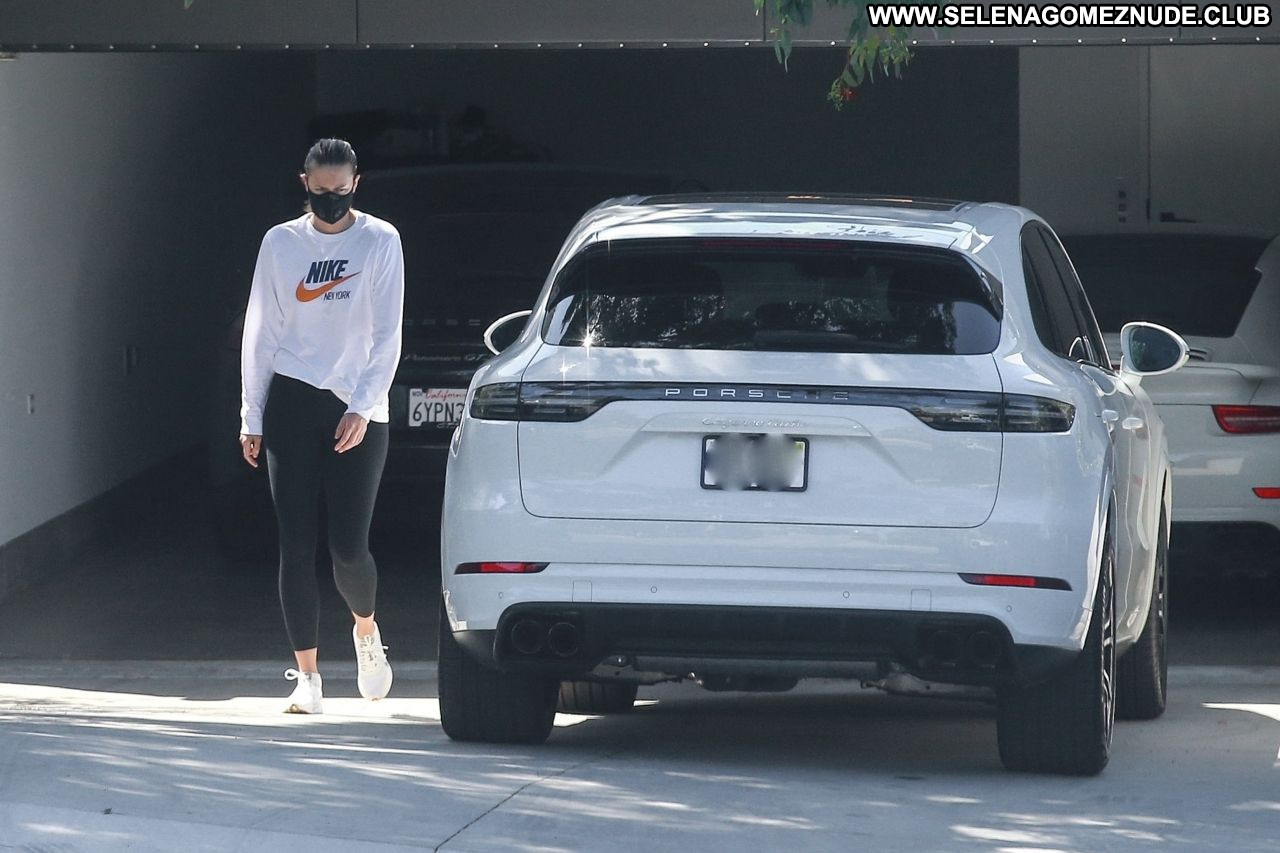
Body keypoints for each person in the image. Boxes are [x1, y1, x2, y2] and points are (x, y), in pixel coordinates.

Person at [238, 138, 405, 714]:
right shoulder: (280, 243)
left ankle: (365, 629)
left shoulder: (380, 240)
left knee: (348, 548)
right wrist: (251, 413)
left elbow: (388, 333)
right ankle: (308, 677)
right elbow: (260, 329)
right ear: (304, 183)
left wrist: (362, 405)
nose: (330, 199)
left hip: (357, 405)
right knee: (294, 543)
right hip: (291, 398)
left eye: (340, 189)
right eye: (320, 189)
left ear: (356, 184)